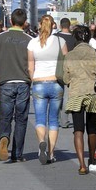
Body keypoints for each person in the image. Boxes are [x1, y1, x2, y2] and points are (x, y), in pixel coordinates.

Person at [57, 24, 96, 173]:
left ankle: (81, 165)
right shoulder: (95, 53)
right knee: (92, 129)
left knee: (78, 130)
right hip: (92, 94)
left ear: (75, 38)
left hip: (76, 94)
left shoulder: (70, 55)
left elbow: (66, 79)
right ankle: (92, 158)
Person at [0, 9, 31, 162]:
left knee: (4, 116)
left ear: (11, 21)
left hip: (5, 83)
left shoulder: (0, 39)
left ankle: (4, 137)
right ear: (24, 23)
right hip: (23, 83)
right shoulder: (30, 40)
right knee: (21, 119)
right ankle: (17, 154)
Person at [27, 13, 62, 164]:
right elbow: (65, 62)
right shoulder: (60, 41)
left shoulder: (33, 43)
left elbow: (30, 67)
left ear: (40, 25)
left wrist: (33, 79)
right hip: (56, 83)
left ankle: (42, 143)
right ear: (54, 25)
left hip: (39, 83)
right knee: (53, 120)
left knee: (40, 118)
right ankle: (51, 153)